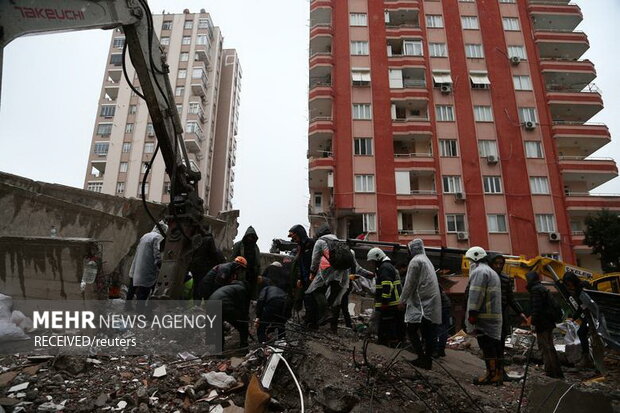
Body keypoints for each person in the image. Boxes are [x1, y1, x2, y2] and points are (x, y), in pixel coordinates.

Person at [399, 239, 441, 370]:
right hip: (429, 302)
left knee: (412, 330)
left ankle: (422, 358)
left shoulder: (415, 261)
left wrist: (402, 300)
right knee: (427, 332)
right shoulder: (426, 260)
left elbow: (409, 283)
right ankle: (427, 360)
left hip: (421, 302)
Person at [465, 246, 503, 385]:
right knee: (494, 346)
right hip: (493, 316)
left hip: (484, 317)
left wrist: (473, 313)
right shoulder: (490, 272)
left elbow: (476, 293)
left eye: (470, 260)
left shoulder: (479, 272)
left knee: (487, 347)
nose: (469, 263)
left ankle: (491, 375)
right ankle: (497, 374)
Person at [306, 224, 352, 332]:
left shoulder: (320, 241)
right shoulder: (339, 241)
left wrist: (312, 272)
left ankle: (326, 313)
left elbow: (315, 259)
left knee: (316, 291)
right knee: (333, 295)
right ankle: (330, 316)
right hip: (341, 272)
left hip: (327, 270)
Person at [488, 253, 527, 379]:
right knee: (490, 345)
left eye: (501, 264)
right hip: (489, 315)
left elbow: (511, 298)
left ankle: (500, 372)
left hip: (502, 314)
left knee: (500, 344)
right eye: (496, 263)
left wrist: (520, 312)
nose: (499, 266)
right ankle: (492, 372)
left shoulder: (505, 278)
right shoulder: (486, 276)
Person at [526, 271, 564, 379]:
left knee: (546, 348)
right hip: (548, 322)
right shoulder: (541, 288)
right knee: (549, 347)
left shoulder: (535, 290)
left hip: (543, 323)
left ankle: (552, 372)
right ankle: (555, 371)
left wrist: (533, 323)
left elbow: (536, 309)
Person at [127, 222, 167, 312]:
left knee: (132, 287)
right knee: (144, 290)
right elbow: (157, 252)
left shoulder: (145, 235)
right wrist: (159, 264)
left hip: (137, 264)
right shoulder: (158, 237)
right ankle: (140, 311)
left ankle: (127, 306)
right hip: (147, 267)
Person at [367, 248, 403, 347]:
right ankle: (389, 342)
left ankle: (389, 344)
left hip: (390, 303)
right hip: (391, 302)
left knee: (387, 325)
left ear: (377, 258)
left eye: (372, 262)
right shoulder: (386, 266)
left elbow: (387, 286)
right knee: (389, 324)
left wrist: (384, 302)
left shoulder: (385, 267)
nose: (372, 264)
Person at [563, 271, 593, 368]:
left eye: (569, 282)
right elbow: (581, 306)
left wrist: (576, 316)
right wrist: (574, 317)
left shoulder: (582, 287)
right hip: (587, 314)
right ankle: (587, 357)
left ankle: (588, 358)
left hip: (592, 314)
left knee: (583, 333)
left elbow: (586, 303)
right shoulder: (577, 289)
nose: (569, 285)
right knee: (581, 333)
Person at [209, 278, 250, 350]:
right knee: (242, 324)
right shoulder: (241, 289)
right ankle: (244, 346)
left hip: (211, 305)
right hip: (224, 305)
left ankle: (219, 350)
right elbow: (242, 306)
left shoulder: (229, 288)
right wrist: (245, 318)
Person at [288, 225, 316, 326]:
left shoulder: (310, 244)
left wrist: (312, 274)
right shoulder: (300, 247)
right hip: (304, 278)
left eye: (294, 237)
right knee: (306, 300)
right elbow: (300, 264)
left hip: (312, 277)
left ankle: (312, 322)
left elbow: (314, 261)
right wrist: (300, 278)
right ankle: (308, 321)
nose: (294, 239)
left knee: (311, 301)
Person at [255, 267, 291, 343]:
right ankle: (282, 343)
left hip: (273, 302)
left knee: (261, 326)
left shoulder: (265, 289)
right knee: (280, 324)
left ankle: (263, 344)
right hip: (285, 303)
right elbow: (286, 315)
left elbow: (260, 301)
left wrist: (258, 317)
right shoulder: (278, 289)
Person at [188, 230, 225, 301]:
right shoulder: (209, 240)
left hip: (194, 266)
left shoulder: (196, 241)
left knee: (196, 285)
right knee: (204, 285)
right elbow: (213, 253)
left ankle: (196, 303)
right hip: (204, 268)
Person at [232, 226, 261, 299]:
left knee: (251, 294)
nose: (250, 238)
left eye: (252, 236)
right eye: (249, 236)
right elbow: (233, 258)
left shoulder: (255, 247)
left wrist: (259, 274)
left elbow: (258, 262)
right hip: (241, 271)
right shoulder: (238, 245)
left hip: (252, 274)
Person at [434, 284, 452, 358]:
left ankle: (438, 349)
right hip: (446, 305)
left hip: (441, 306)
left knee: (440, 328)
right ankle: (441, 350)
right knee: (444, 328)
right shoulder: (436, 282)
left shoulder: (432, 283)